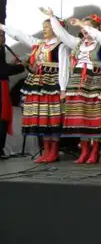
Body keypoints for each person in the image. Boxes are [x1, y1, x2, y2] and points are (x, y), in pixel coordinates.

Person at [45, 9, 101, 163]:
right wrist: (52, 18)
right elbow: (62, 35)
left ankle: (95, 151)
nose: (84, 30)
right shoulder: (78, 43)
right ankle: (84, 151)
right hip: (76, 82)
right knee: (81, 118)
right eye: (82, 27)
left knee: (94, 117)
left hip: (93, 81)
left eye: (88, 27)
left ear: (96, 29)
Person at [0, 19, 69, 163]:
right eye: (43, 27)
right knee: (43, 118)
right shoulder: (39, 44)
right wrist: (3, 27)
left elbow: (64, 69)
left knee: (53, 118)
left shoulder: (61, 46)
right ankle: (46, 150)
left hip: (53, 85)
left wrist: (63, 89)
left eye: (47, 27)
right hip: (39, 85)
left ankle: (54, 151)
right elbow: (20, 35)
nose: (44, 29)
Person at [0, 28, 26, 159]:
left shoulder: (1, 49)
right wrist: (22, 66)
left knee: (4, 117)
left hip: (3, 85)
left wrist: (12, 64)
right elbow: (3, 70)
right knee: (2, 117)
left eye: (3, 35)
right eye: (1, 35)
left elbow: (3, 67)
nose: (3, 37)